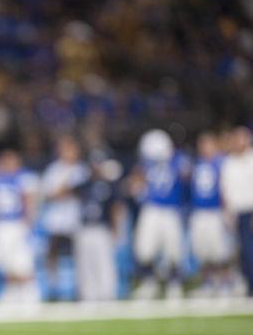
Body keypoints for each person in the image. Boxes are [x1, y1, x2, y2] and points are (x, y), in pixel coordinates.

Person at [133, 129, 190, 299]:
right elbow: (136, 184)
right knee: (145, 248)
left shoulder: (178, 160)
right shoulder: (146, 165)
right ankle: (149, 282)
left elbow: (187, 176)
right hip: (151, 208)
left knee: (173, 249)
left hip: (170, 210)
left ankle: (174, 283)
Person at [0, 149, 39, 303]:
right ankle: (12, 293)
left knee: (22, 261)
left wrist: (28, 220)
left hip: (17, 223)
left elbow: (29, 200)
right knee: (7, 262)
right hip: (1, 223)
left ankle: (29, 294)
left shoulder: (24, 177)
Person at [41, 136, 89, 300]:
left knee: (78, 257)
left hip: (75, 220)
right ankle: (53, 289)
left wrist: (65, 190)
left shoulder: (82, 170)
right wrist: (66, 190)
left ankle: (78, 289)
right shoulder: (53, 169)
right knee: (52, 256)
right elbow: (50, 194)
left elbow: (82, 192)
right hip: (55, 220)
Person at [75, 151, 123, 301]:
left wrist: (116, 228)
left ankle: (107, 293)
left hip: (102, 228)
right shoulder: (84, 184)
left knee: (104, 262)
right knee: (85, 263)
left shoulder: (110, 185)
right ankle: (88, 295)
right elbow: (67, 192)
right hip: (85, 227)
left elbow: (116, 207)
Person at [188, 132, 233, 296]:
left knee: (220, 250)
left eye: (207, 144)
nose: (204, 148)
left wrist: (227, 211)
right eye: (202, 144)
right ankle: (208, 283)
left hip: (216, 212)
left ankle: (226, 282)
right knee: (202, 250)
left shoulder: (222, 163)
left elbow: (227, 188)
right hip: (200, 212)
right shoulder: (197, 164)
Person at [220, 126, 253, 296]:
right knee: (240, 252)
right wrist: (227, 213)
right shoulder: (229, 162)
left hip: (250, 211)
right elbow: (226, 190)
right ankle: (247, 284)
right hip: (236, 213)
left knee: (250, 250)